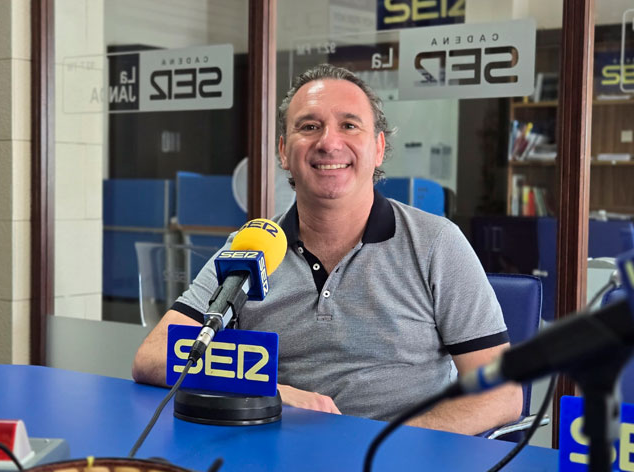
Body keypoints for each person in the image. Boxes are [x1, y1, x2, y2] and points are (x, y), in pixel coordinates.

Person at [133, 64, 522, 434]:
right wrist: (269, 392)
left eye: (349, 125)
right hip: (275, 453)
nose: (329, 142)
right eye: (309, 126)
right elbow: (154, 356)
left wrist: (386, 444)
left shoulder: (436, 243)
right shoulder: (251, 246)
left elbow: (503, 394)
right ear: (284, 151)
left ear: (379, 147)